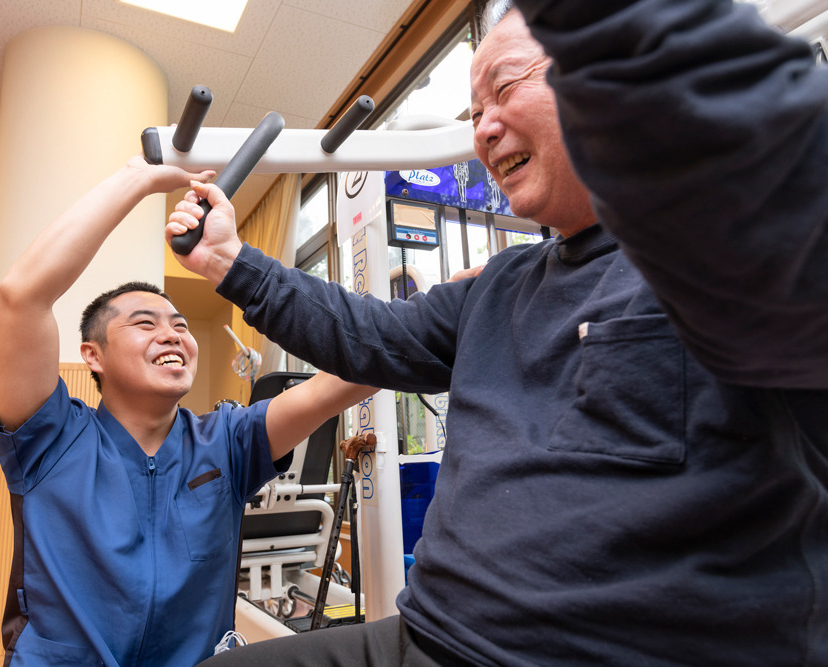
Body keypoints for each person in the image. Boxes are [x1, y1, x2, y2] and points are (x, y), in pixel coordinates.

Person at [167, 0, 828, 664]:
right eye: (475, 112)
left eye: (506, 89)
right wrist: (230, 262)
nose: (483, 129)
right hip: (430, 638)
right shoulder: (501, 285)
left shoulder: (724, 249)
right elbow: (368, 333)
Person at [0, 156, 377, 666]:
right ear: (93, 355)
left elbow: (347, 379)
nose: (172, 334)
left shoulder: (229, 442)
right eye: (144, 324)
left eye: (180, 325)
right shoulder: (51, 437)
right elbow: (22, 296)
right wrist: (140, 178)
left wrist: (446, 320)